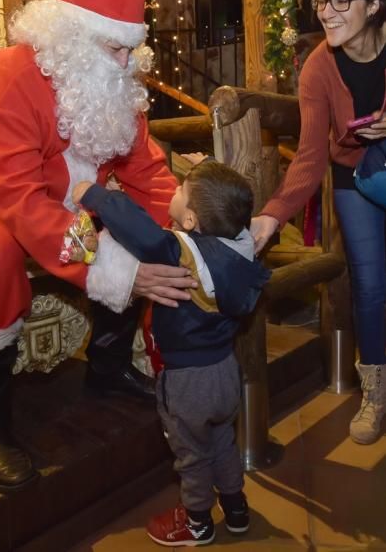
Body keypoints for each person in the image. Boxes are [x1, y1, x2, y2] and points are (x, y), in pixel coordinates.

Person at [0, 0, 196, 492]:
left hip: (60, 198)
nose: (123, 63)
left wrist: (196, 230)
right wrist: (116, 270)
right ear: (70, 35)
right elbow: (18, 199)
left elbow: (149, 175)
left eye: (129, 48)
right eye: (111, 46)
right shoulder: (7, 76)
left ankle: (109, 370)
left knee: (141, 224)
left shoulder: (115, 86)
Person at [73, 157, 270, 547]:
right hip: (225, 371)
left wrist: (94, 195)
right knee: (222, 442)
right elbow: (225, 204)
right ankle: (236, 509)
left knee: (192, 454)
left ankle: (197, 522)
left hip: (186, 381)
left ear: (192, 220)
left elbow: (144, 234)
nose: (174, 191)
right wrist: (209, 170)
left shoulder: (182, 252)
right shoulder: (241, 247)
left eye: (181, 191)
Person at [251, 0, 386, 445]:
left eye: (341, 1)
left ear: (373, 4)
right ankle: (375, 392)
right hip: (354, 178)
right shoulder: (317, 68)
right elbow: (309, 156)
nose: (327, 12)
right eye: (320, 2)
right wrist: (271, 216)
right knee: (370, 286)